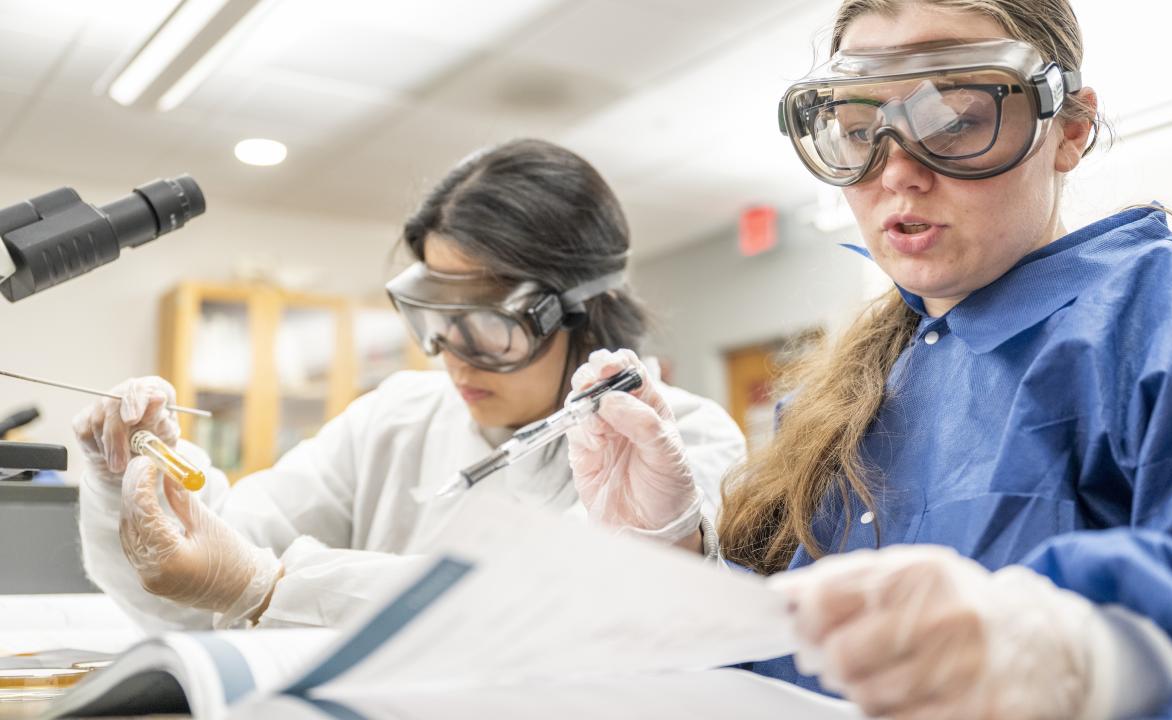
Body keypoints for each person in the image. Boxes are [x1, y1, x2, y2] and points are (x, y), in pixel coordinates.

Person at [567, 1, 1172, 718]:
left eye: (957, 120)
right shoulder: (842, 396)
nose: (898, 172)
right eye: (858, 133)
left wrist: (1093, 664)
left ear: (1069, 129)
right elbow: (786, 669)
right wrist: (674, 553)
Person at [75, 139, 745, 631]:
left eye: (487, 323)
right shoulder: (397, 416)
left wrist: (270, 587)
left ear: (582, 308)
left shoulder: (685, 442)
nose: (453, 356)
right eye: (433, 318)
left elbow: (542, 611)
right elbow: (199, 583)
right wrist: (133, 482)